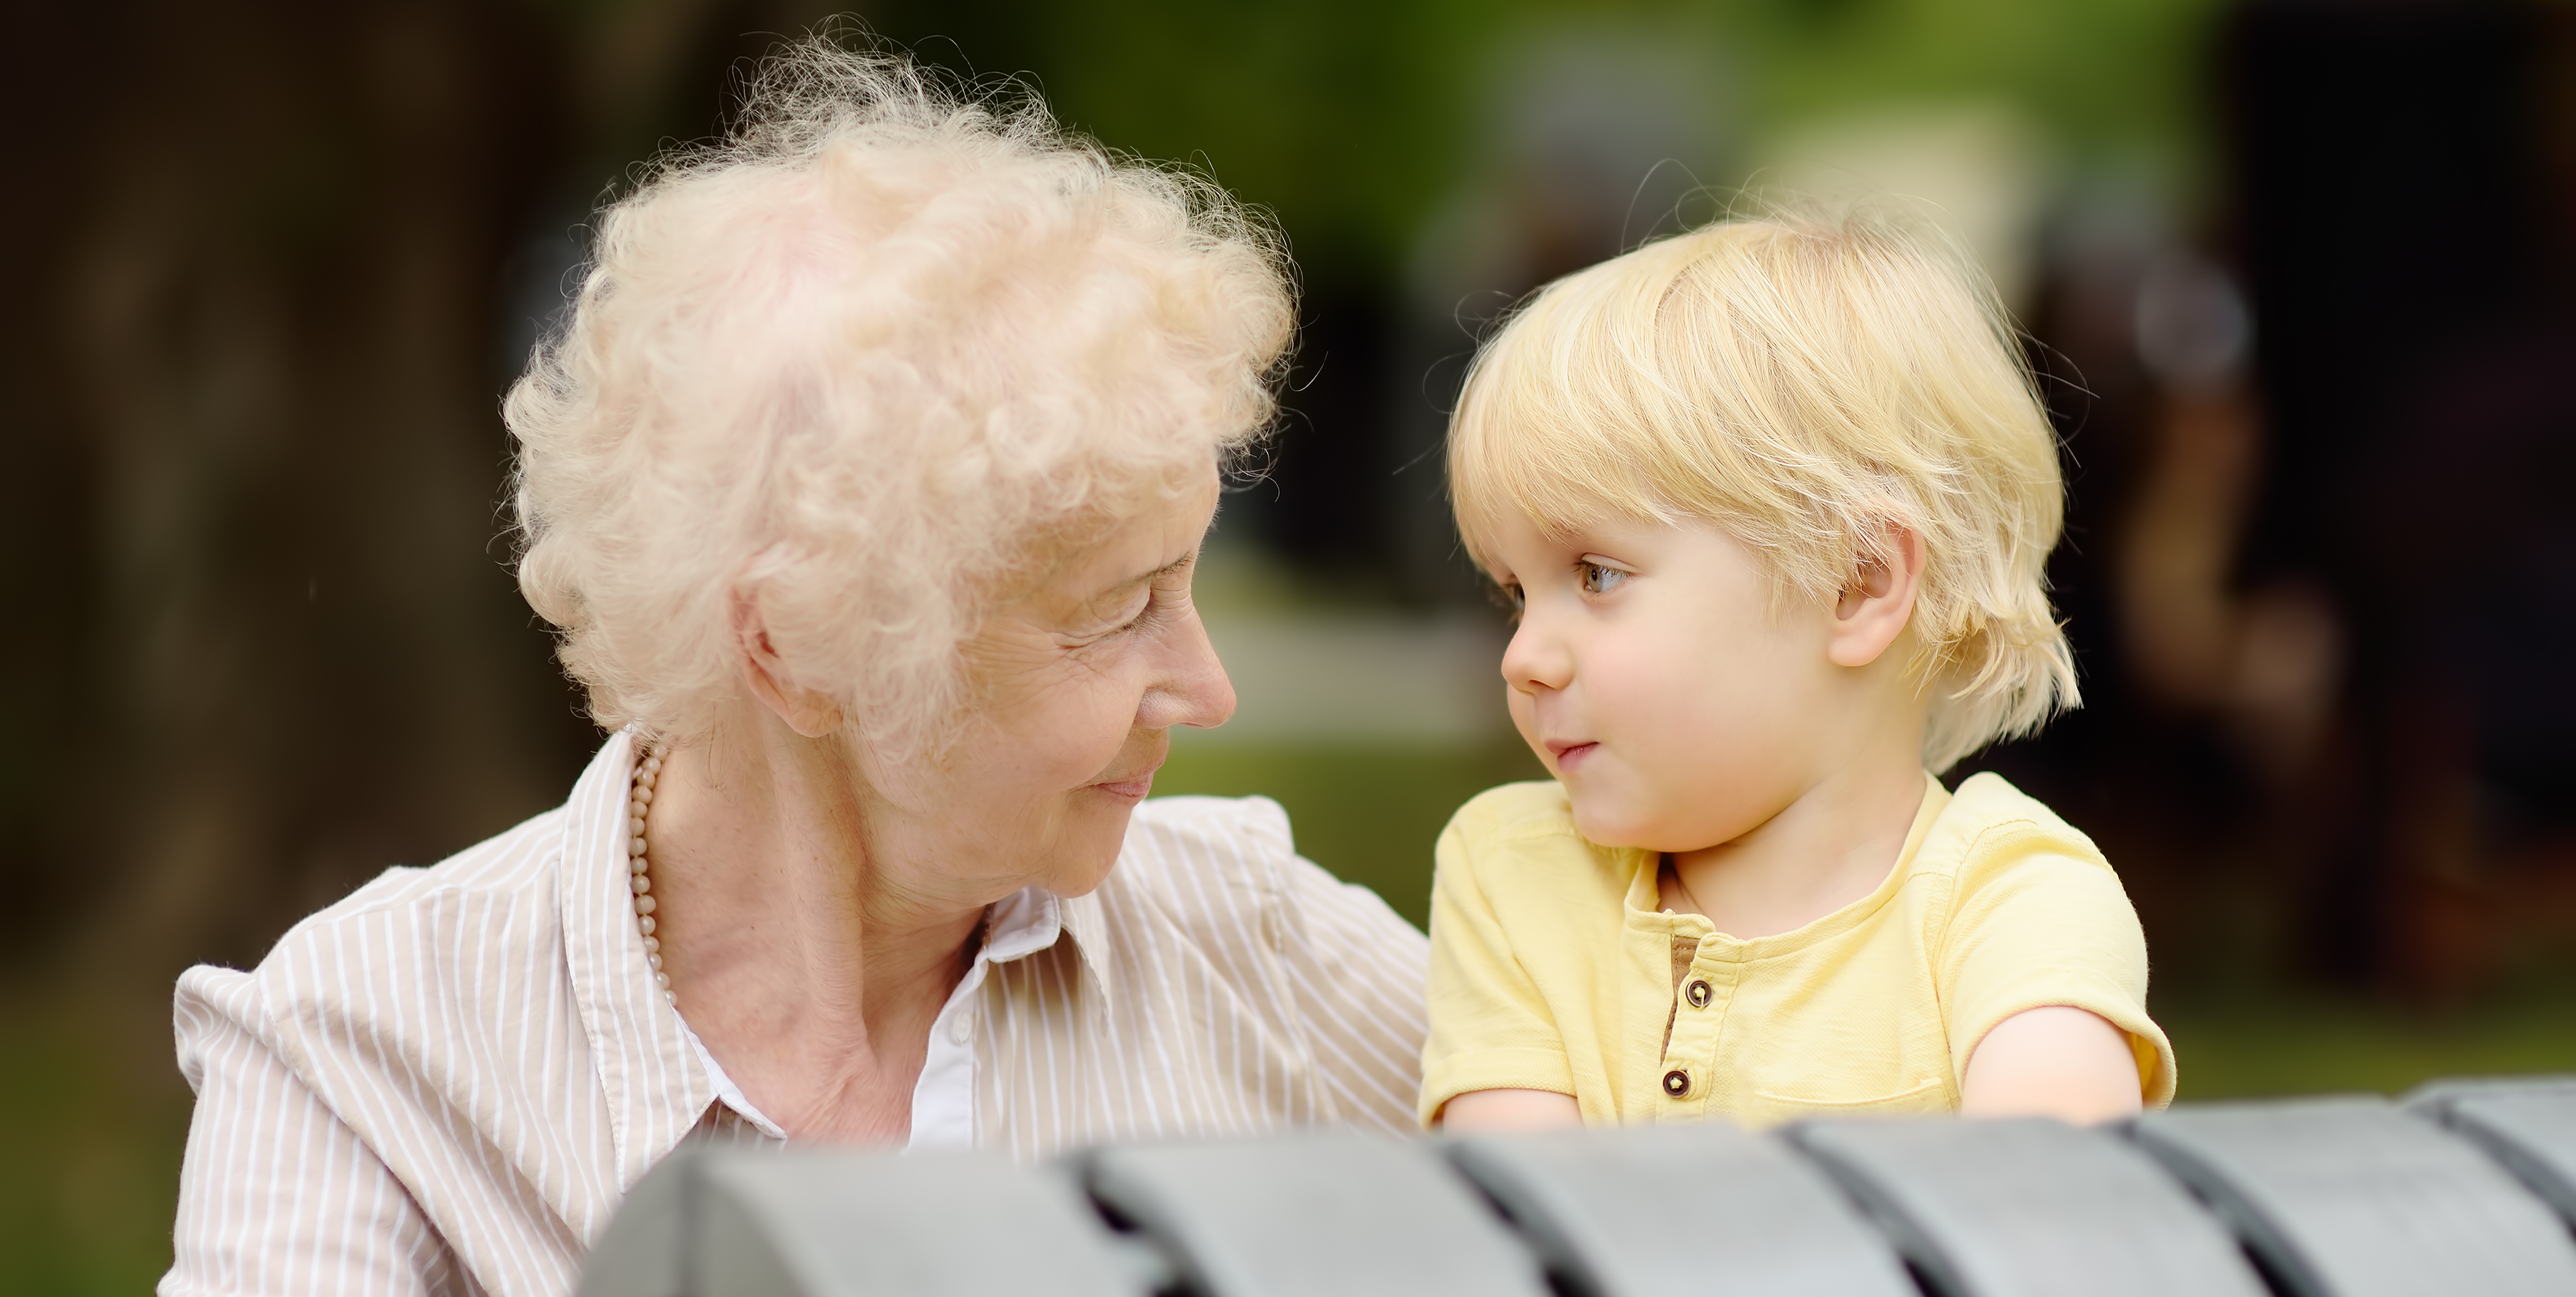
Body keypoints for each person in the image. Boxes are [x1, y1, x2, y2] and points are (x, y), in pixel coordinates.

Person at [161, 41, 1428, 1297]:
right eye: (1117, 609)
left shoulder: (1255, 944)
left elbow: (1624, 1193)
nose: (1210, 690)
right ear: (800, 651)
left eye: (1186, 580)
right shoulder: (364, 1052)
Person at [1422, 212, 2175, 1132]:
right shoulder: (1515, 873)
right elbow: (1525, 1235)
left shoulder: (2012, 903)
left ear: (1856, 582)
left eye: (1596, 574)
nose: (1523, 658)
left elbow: (2031, 1220)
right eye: (1515, 593)